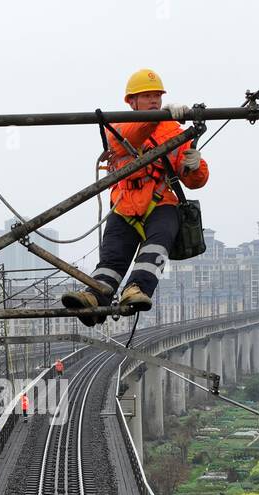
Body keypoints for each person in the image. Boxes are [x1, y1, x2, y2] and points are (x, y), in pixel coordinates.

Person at [61, 68, 209, 327]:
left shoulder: (173, 131)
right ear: (131, 101)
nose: (154, 100)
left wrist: (196, 167)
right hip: (124, 205)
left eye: (157, 96)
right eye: (147, 96)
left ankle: (137, 289)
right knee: (112, 258)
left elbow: (193, 179)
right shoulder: (119, 127)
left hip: (160, 201)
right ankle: (96, 296)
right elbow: (133, 135)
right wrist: (156, 119)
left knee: (158, 244)